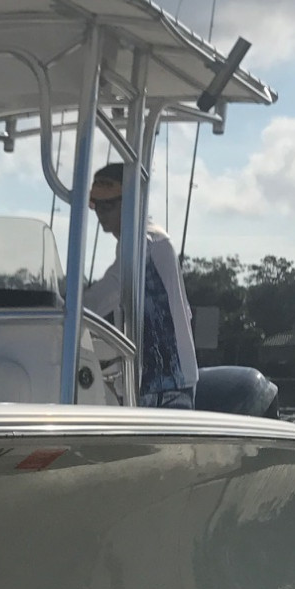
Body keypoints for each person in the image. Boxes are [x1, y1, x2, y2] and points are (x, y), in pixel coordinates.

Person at [82, 163, 196, 407]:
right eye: (97, 205)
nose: (101, 212)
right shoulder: (152, 238)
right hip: (166, 380)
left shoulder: (141, 242)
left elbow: (104, 297)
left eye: (109, 204)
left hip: (164, 384)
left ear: (132, 201)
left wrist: (64, 311)